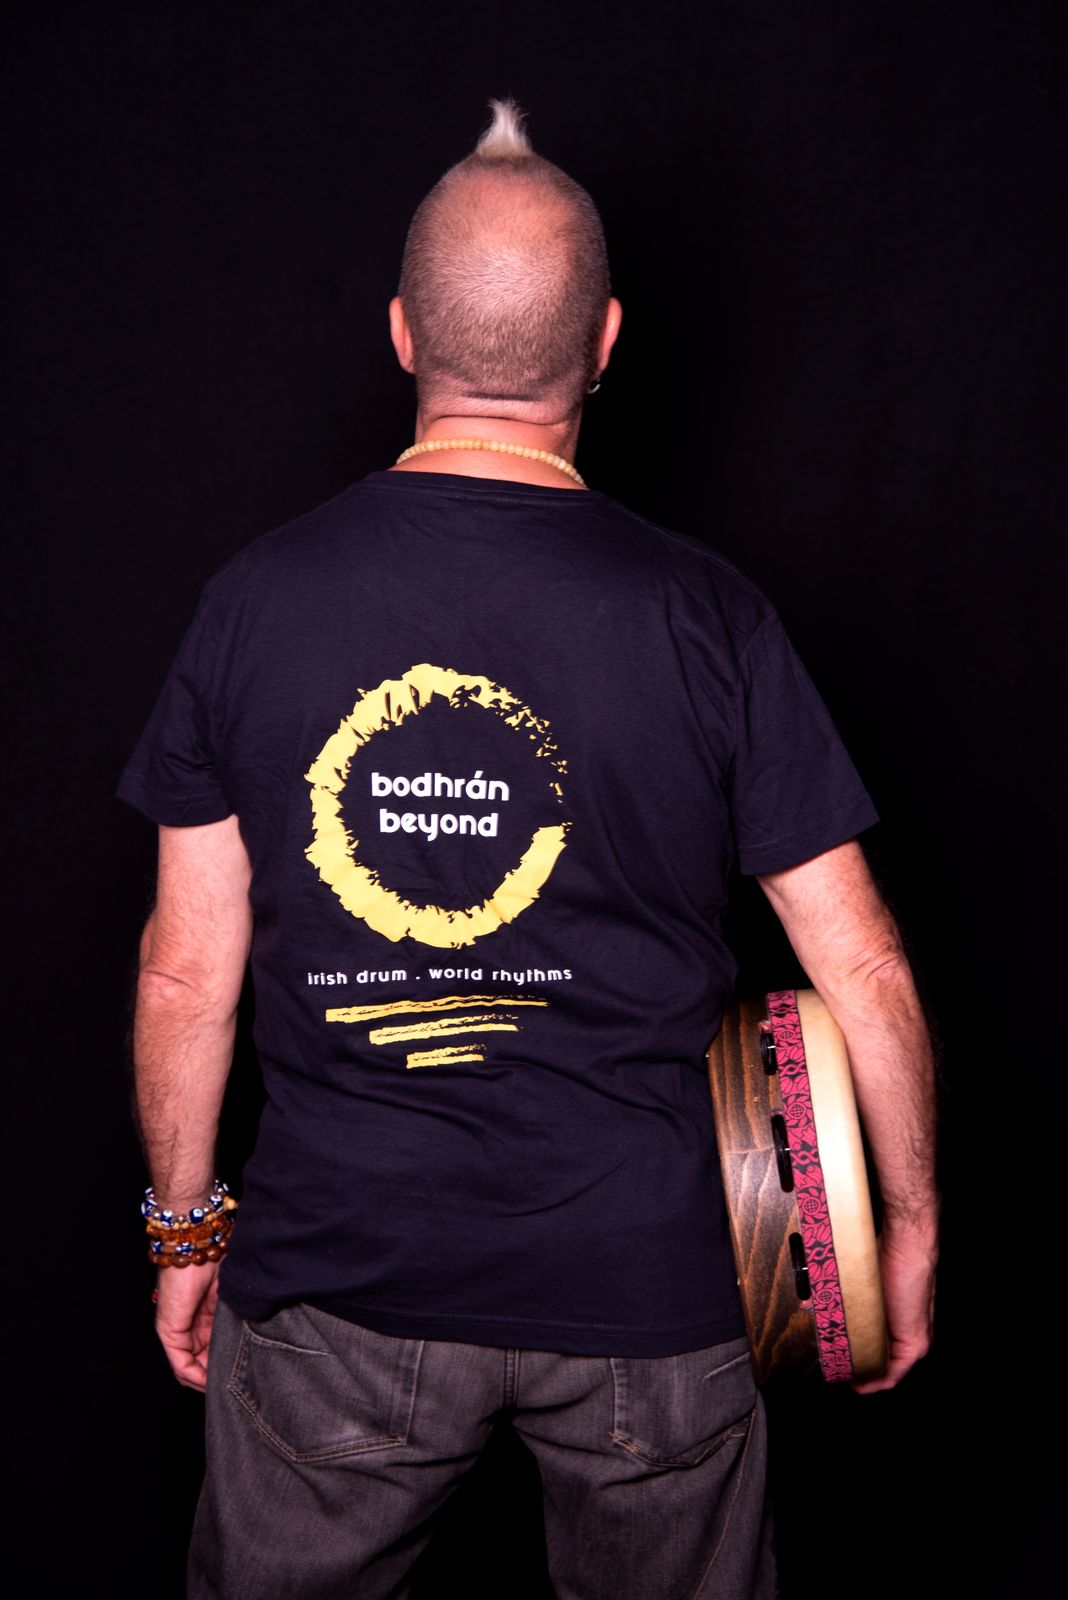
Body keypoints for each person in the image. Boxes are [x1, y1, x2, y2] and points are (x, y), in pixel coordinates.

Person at [121, 99, 938, 1600]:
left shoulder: (256, 599)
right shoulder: (707, 615)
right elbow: (863, 961)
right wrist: (905, 1225)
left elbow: (186, 972)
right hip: (653, 1296)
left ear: (402, 333)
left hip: (339, 1287)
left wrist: (184, 1232)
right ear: (605, 340)